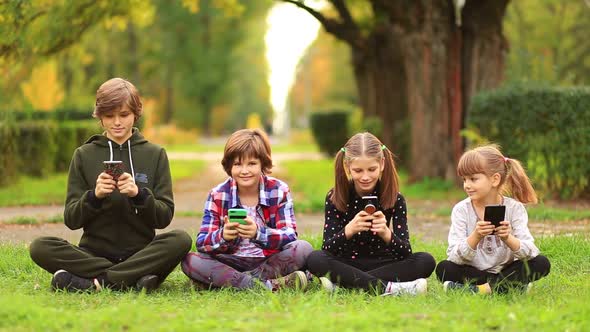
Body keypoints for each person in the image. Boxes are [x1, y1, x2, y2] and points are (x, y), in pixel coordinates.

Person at [29, 78, 192, 292]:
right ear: (100, 116)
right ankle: (134, 279)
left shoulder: (155, 154)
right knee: (40, 246)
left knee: (181, 239)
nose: (117, 122)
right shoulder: (83, 155)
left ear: (136, 114)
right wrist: (94, 197)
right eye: (109, 116)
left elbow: (164, 218)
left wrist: (138, 195)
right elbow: (71, 219)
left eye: (124, 115)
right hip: (93, 255)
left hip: (142, 254)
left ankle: (97, 283)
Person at [306, 132, 436, 296]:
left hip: (385, 263)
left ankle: (345, 285)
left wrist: (386, 233)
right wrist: (349, 230)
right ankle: (391, 288)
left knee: (426, 261)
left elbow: (405, 252)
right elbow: (327, 249)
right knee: (315, 258)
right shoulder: (335, 196)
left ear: (382, 164)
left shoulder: (396, 198)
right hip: (347, 263)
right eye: (358, 170)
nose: (365, 177)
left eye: (371, 169)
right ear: (347, 167)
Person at [181, 129, 312, 291]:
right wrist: (223, 236)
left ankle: (227, 282)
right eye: (237, 164)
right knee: (190, 260)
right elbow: (202, 242)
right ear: (229, 166)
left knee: (304, 249)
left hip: (267, 260)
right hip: (229, 260)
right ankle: (270, 285)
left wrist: (258, 233)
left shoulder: (278, 190)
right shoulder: (218, 194)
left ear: (262, 164)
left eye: (251, 163)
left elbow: (290, 235)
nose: (244, 171)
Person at [435, 144, 551, 294]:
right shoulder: (461, 210)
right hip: (475, 272)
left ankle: (481, 290)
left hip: (506, 270)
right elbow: (454, 257)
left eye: (473, 179)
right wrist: (475, 237)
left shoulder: (514, 208)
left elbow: (531, 252)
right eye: (464, 180)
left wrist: (508, 238)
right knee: (444, 268)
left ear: (495, 179)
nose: (467, 185)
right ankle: (510, 287)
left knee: (541, 263)